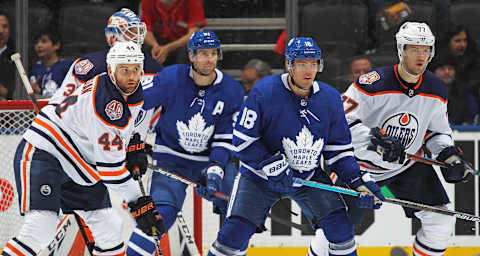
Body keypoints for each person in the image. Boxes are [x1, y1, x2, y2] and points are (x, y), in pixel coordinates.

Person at [206, 37, 385, 256]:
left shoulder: (330, 98)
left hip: (308, 178)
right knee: (233, 236)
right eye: (302, 64)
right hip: (259, 178)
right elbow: (242, 140)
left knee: (342, 231)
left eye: (313, 64)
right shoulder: (264, 92)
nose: (309, 71)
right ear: (289, 65)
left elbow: (338, 151)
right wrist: (269, 164)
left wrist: (359, 181)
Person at [311, 21, 475, 256]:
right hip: (359, 168)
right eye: (414, 49)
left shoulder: (436, 88)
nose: (421, 55)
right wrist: (375, 142)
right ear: (401, 50)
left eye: (426, 49)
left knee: (441, 220)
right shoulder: (372, 83)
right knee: (334, 231)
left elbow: (436, 132)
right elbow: (340, 123)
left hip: (405, 165)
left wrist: (449, 157)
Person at [1, 41, 164, 256]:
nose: (132, 76)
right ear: (111, 70)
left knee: (110, 228)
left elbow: (125, 132)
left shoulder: (131, 92)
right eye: (124, 69)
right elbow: (111, 172)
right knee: (41, 227)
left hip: (80, 166)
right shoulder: (108, 105)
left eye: (135, 69)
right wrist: (140, 203)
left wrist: (132, 146)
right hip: (46, 152)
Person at [126, 30, 244, 255]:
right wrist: (131, 141)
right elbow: (135, 103)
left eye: (212, 53)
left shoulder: (231, 91)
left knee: (240, 215)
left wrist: (216, 170)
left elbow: (225, 136)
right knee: (159, 216)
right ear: (191, 56)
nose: (208, 59)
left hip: (209, 162)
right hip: (171, 161)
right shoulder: (170, 78)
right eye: (202, 54)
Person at [50, 8, 163, 105]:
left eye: (139, 31)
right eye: (131, 32)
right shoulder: (89, 65)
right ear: (114, 35)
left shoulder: (154, 67)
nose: (137, 37)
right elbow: (60, 102)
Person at [141, 0, 207, 65]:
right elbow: (145, 30)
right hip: (158, 44)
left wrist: (168, 48)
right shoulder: (148, 2)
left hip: (181, 44)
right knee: (145, 48)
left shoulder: (193, 1)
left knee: (189, 49)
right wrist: (155, 46)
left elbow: (193, 34)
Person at [436, 23, 480, 106]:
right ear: (448, 42)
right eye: (457, 41)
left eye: (465, 40)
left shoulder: (474, 59)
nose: (462, 45)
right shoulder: (437, 59)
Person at [430, 53, 478, 125]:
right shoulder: (425, 94)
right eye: (442, 69)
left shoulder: (465, 94)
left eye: (450, 68)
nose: (447, 72)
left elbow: (472, 117)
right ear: (434, 72)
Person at [30, 29, 72, 98]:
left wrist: (40, 92)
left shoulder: (67, 66)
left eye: (44, 41)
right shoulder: (35, 68)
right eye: (36, 42)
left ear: (56, 45)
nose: (39, 45)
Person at [0, 10, 15, 100]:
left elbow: (23, 91)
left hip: (11, 110)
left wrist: (5, 92)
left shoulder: (18, 56)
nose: (0, 31)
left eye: (5, 26)